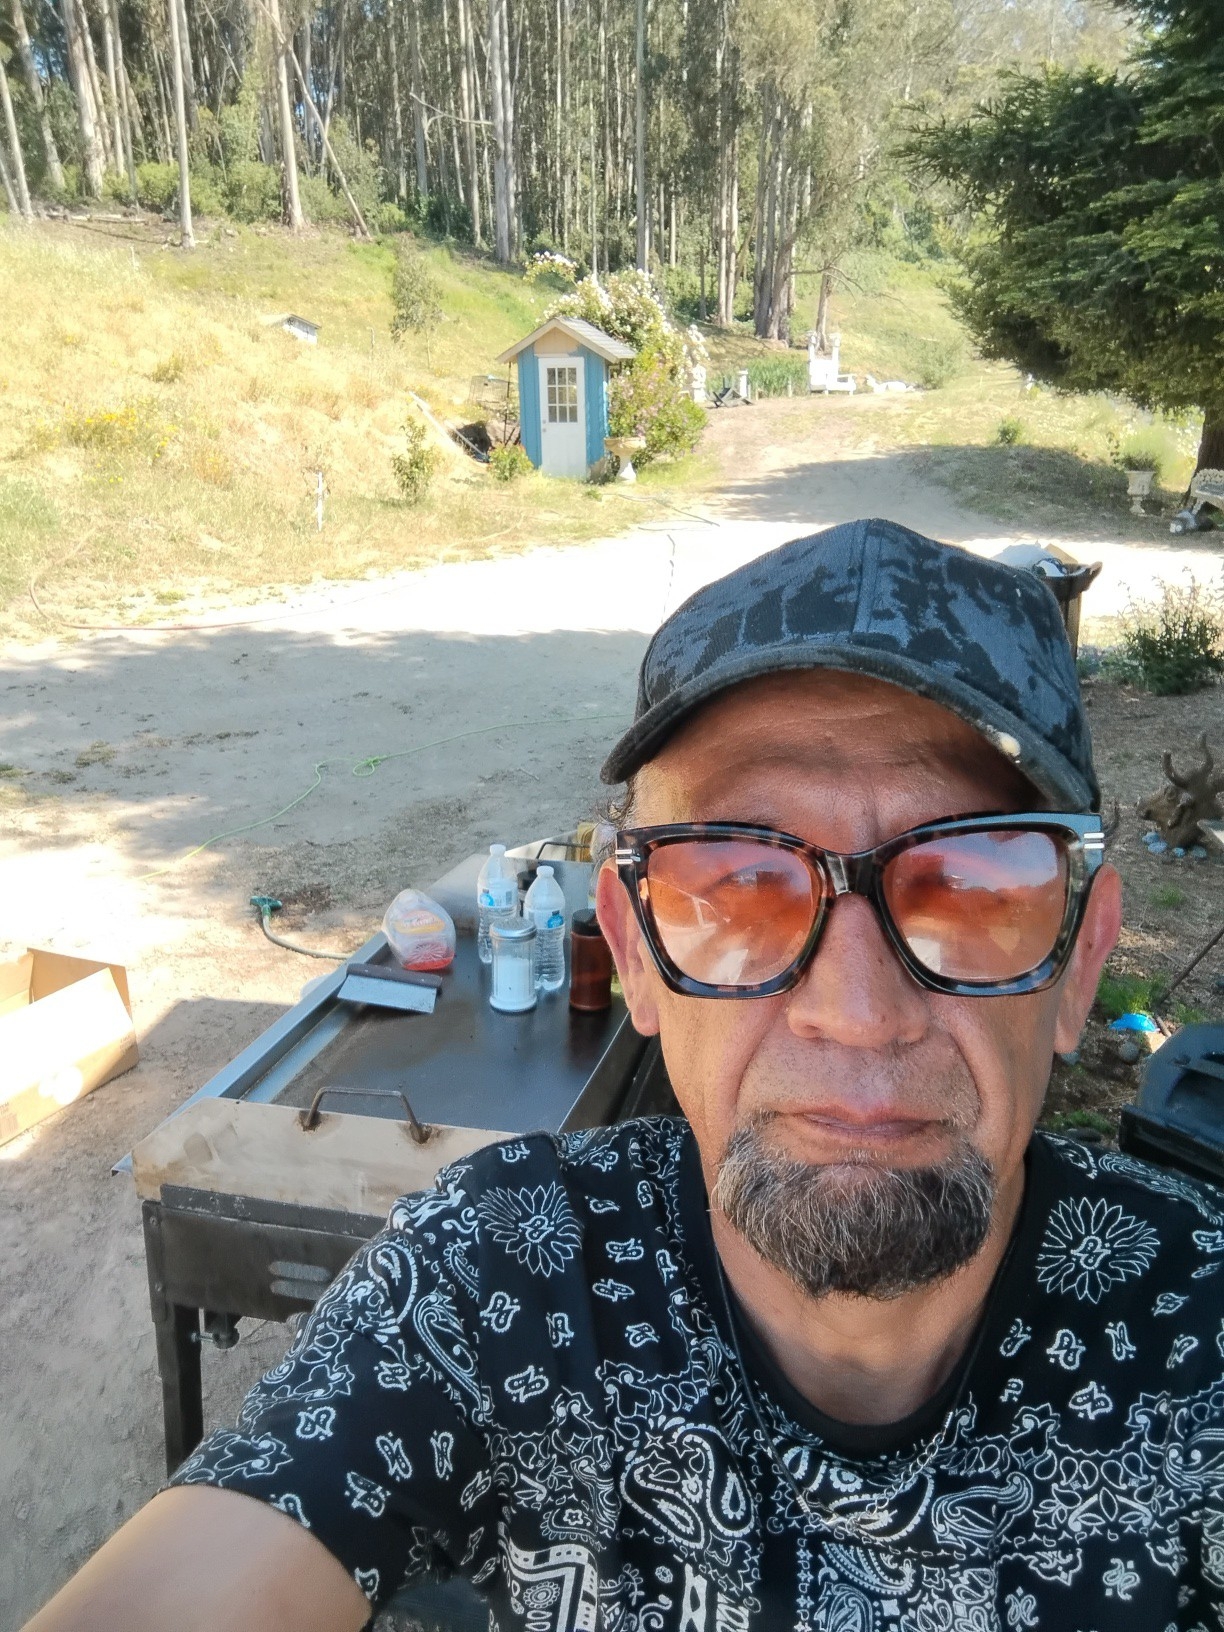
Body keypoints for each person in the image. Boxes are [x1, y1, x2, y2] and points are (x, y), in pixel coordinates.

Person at [25, 519, 1224, 1632]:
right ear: (637, 954)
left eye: (968, 884)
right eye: (737, 885)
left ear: (1082, 960)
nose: (858, 1014)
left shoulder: (1199, 1338)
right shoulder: (508, 1276)